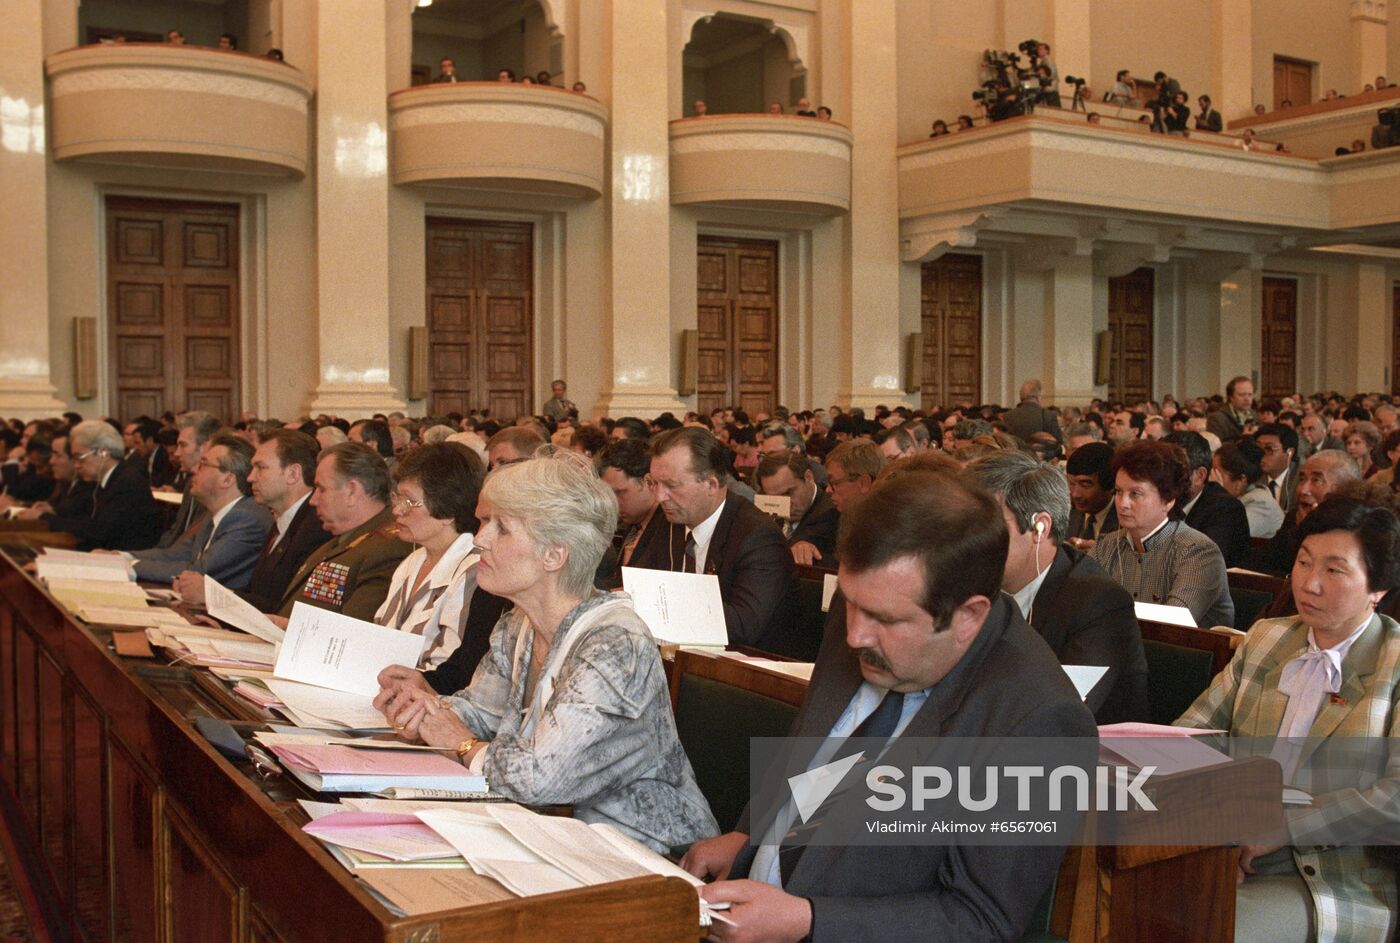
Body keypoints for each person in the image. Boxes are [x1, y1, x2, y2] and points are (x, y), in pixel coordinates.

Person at [680, 468, 1097, 940]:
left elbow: (981, 920)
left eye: (884, 619)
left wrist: (805, 921)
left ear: (968, 616)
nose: (855, 635)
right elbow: (818, 754)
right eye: (852, 603)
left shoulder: (1038, 720)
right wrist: (751, 839)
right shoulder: (866, 606)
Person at [374, 450, 718, 853]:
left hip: (641, 853)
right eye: (485, 522)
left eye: (500, 528)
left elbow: (540, 779)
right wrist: (422, 712)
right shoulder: (517, 624)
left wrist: (462, 743)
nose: (479, 539)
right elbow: (477, 715)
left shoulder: (614, 642)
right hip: (547, 836)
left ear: (554, 554)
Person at [1176, 496, 1400, 943]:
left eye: (1334, 571)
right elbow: (1196, 734)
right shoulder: (1268, 638)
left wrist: (1282, 827)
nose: (1310, 584)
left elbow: (1393, 803)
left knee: (1208, 929)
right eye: (1303, 562)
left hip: (1334, 877)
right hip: (1229, 844)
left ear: (1378, 588)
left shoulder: (1392, 664)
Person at [965, 451, 1148, 723]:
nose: (968, 541)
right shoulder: (967, 582)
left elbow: (1058, 712)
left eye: (984, 526)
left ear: (1040, 526)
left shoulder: (1098, 602)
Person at [628, 427, 796, 651]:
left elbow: (743, 625)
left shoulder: (758, 537)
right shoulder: (669, 519)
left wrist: (665, 605)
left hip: (742, 672)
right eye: (655, 483)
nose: (659, 497)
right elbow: (637, 584)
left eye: (672, 485)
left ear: (711, 484)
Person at [1092, 439, 1235, 627]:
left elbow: (1171, 625)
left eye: (1135, 493)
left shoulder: (1198, 552)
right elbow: (1080, 607)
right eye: (1118, 492)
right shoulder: (1106, 546)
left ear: (1168, 500)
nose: (1122, 503)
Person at [374, 443, 488, 669]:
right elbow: (378, 634)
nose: (397, 510)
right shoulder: (413, 560)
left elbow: (447, 668)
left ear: (447, 510)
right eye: (398, 498)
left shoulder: (473, 570)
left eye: (409, 502)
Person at [272, 442, 412, 621]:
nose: (313, 500)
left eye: (321, 489)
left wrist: (288, 628)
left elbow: (356, 628)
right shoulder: (342, 539)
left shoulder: (388, 548)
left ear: (352, 491)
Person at [130, 433, 272, 590]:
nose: (194, 469)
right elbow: (177, 554)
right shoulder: (215, 513)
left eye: (203, 464)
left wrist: (129, 566)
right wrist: (123, 558)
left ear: (227, 479)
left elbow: (199, 572)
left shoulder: (246, 519)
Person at [21, 421, 161, 551]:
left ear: (103, 452)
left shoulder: (127, 482)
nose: (76, 465)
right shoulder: (108, 480)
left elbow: (99, 532)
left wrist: (45, 518)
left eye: (79, 457)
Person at [1167, 431, 1251, 568]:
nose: (1162, 478)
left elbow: (1200, 567)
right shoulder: (1158, 501)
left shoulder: (1225, 509)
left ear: (1199, 476)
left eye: (1174, 470)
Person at [756, 449, 840, 567]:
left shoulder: (834, 511)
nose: (784, 504)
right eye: (774, 498)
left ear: (808, 477)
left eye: (788, 493)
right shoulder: (765, 514)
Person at [155, 411, 222, 548]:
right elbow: (174, 534)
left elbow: (191, 549)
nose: (177, 453)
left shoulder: (216, 489)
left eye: (183, 445)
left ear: (205, 447)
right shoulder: (190, 483)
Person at [1212, 439, 1286, 538]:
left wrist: (1216, 495)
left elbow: (1220, 535)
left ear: (1241, 480)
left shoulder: (1260, 504)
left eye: (1217, 473)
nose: (1211, 477)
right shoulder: (1240, 496)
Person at [1065, 441, 1118, 549]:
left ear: (1110, 486)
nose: (1075, 494)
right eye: (1071, 482)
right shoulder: (1065, 513)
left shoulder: (1125, 522)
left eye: (1085, 485)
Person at [1003, 378, 1062, 443]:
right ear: (1038, 398)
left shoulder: (1007, 416)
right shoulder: (1049, 415)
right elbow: (1057, 442)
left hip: (1016, 452)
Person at [1208, 375, 1257, 443]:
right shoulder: (1217, 418)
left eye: (1250, 395)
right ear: (1231, 397)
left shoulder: (1254, 414)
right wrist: (1242, 439)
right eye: (1242, 395)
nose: (1247, 399)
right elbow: (1215, 446)